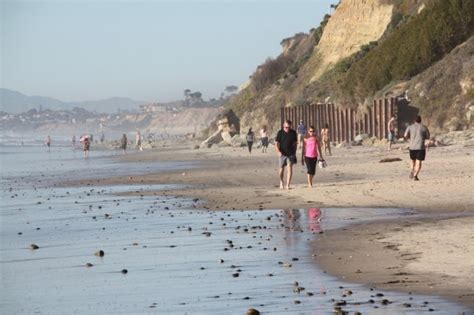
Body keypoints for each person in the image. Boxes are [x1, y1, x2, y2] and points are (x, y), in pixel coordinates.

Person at [404, 115, 430, 181]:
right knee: (418, 162)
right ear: (420, 120)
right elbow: (428, 137)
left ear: (414, 120)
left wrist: (409, 140)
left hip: (412, 147)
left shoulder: (410, 127)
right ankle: (415, 175)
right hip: (420, 147)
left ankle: (412, 169)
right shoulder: (424, 128)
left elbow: (405, 135)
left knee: (412, 160)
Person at [275, 120, 298, 189]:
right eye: (285, 127)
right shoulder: (280, 133)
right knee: (281, 169)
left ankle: (288, 184)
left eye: (288, 127)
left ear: (290, 126)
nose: (287, 129)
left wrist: (294, 152)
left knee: (289, 168)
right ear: (283, 126)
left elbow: (295, 143)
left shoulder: (293, 133)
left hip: (290, 154)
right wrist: (278, 152)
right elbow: (276, 144)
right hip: (282, 154)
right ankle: (281, 181)